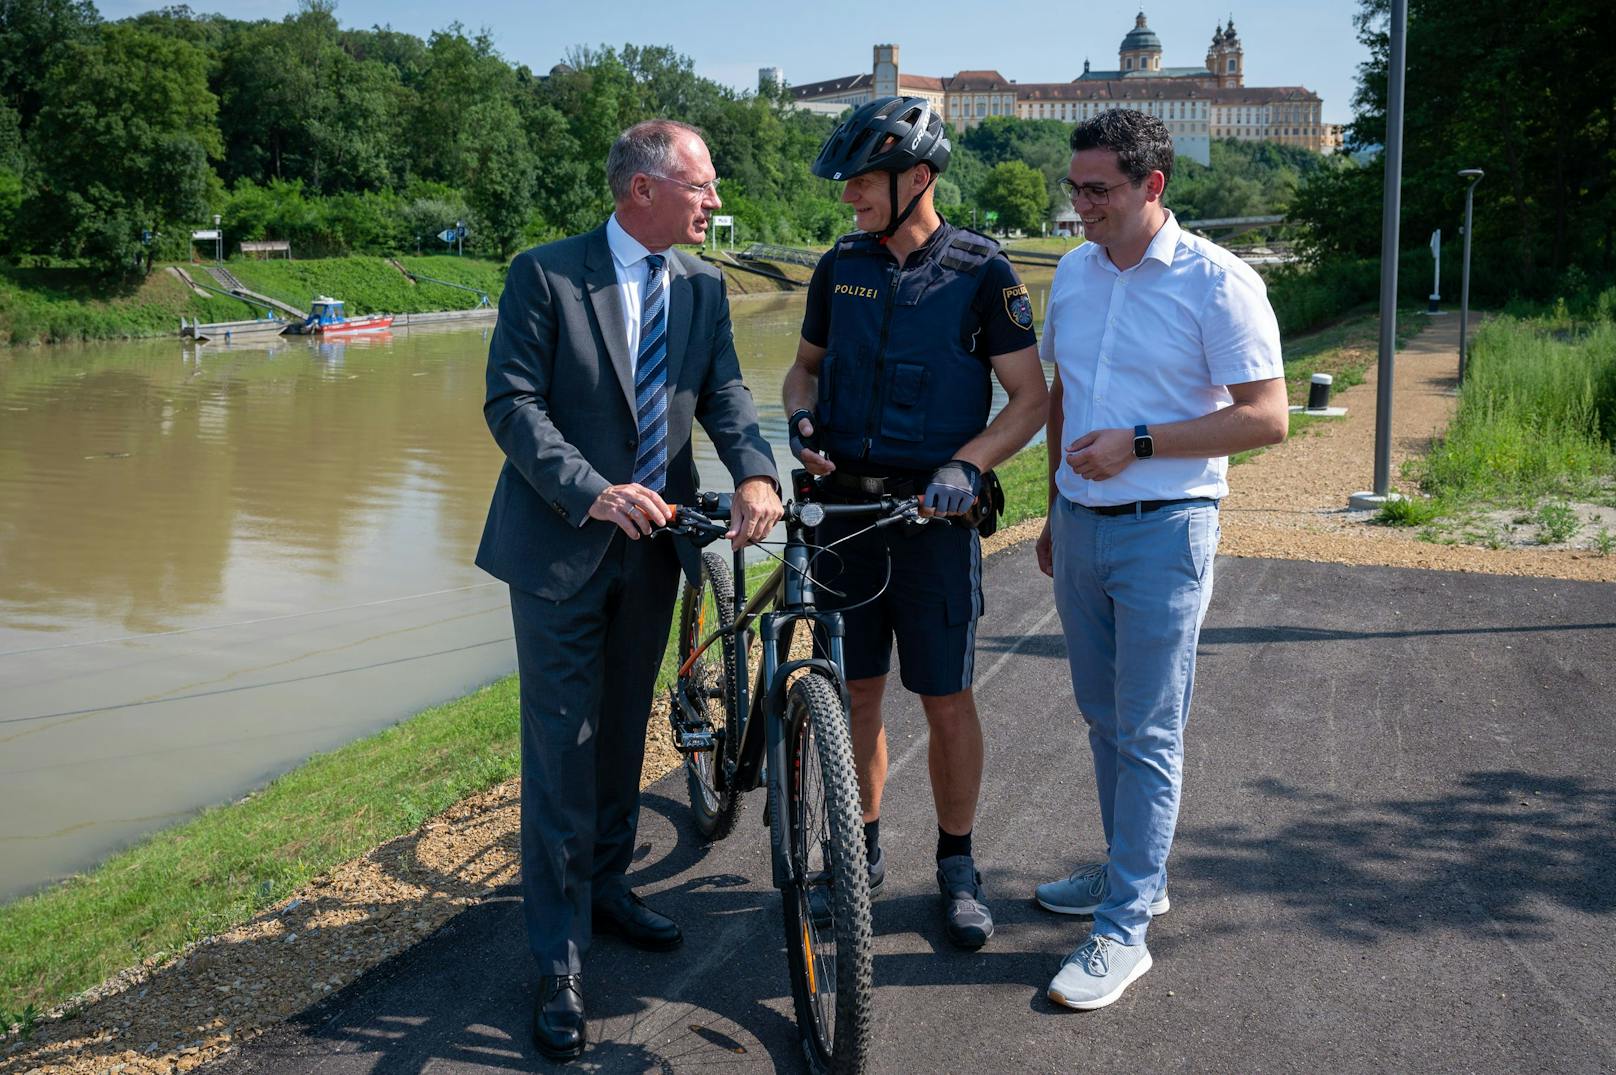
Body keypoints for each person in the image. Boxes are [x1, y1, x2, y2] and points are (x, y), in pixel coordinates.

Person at [476, 119, 782, 1062]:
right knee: (562, 750)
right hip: (562, 549)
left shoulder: (698, 285)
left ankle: (607, 889)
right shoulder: (545, 273)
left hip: (655, 555)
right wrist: (591, 491)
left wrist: (756, 470)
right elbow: (511, 403)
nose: (714, 202)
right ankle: (559, 959)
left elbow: (726, 392)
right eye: (702, 186)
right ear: (642, 189)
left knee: (620, 736)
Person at [1033, 109, 1287, 1009]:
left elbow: (1268, 417)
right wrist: (1056, 506)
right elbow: (1064, 391)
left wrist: (1141, 442)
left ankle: (1127, 924)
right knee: (1103, 717)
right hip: (1084, 523)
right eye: (1076, 187)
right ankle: (1125, 872)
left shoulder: (1219, 283)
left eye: (1098, 189)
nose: (1081, 205)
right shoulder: (1072, 269)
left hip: (1167, 525)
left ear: (1153, 187)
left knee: (1148, 728)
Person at [782, 96, 1049, 950]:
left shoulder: (982, 271)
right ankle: (857, 858)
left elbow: (1029, 400)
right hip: (847, 515)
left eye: (863, 180)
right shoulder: (840, 266)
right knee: (855, 691)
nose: (850, 195)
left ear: (918, 178)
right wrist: (800, 422)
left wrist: (967, 463)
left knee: (945, 696)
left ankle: (958, 864)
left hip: (936, 521)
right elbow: (802, 373)